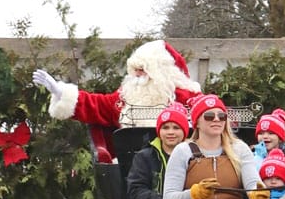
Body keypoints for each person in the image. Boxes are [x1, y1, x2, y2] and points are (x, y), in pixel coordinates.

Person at [31, 40, 201, 159]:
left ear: (162, 71)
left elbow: (214, 119)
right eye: (135, 70)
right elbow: (96, 105)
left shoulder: (189, 98)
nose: (137, 75)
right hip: (134, 169)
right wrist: (60, 92)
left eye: (143, 69)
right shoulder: (125, 99)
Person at [126, 103, 189, 199]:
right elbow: (136, 191)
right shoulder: (144, 156)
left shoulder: (194, 156)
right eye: (165, 127)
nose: (170, 132)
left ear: (184, 131)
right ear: (159, 131)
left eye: (176, 128)